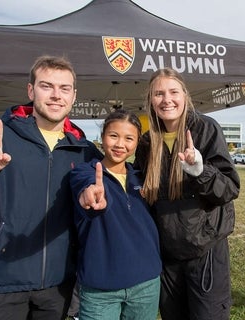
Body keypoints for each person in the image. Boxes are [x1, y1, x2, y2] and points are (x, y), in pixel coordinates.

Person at [0, 55, 103, 320]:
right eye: (47, 86)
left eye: (64, 88)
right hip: (0, 280)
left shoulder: (85, 150)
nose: (56, 95)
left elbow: (90, 213)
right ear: (30, 90)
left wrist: (94, 208)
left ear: (73, 96)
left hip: (59, 284)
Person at [133, 68, 241, 320]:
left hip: (205, 252)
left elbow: (229, 188)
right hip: (167, 254)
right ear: (151, 99)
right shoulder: (148, 143)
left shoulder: (205, 129)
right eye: (158, 93)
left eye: (173, 92)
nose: (166, 99)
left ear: (185, 95)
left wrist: (201, 171)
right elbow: (142, 195)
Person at [70, 109, 162, 320]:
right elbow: (86, 191)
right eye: (114, 136)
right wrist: (91, 196)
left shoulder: (143, 178)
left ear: (137, 143)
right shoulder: (84, 173)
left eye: (129, 138)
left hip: (146, 284)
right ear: (102, 137)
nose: (120, 144)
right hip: (100, 288)